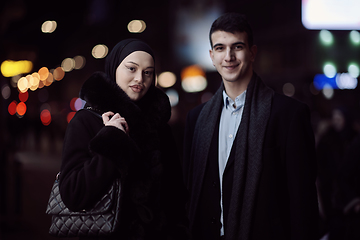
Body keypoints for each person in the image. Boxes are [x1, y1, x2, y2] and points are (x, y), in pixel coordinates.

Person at [183, 13, 319, 240]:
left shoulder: (288, 114)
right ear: (212, 56)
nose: (229, 56)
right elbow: (189, 193)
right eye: (220, 48)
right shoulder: (196, 119)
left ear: (252, 52)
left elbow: (303, 203)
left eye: (237, 47)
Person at [59, 39, 189, 240]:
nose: (140, 78)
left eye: (148, 72)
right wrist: (111, 140)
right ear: (114, 69)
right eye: (131, 68)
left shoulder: (159, 127)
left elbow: (176, 197)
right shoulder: (86, 121)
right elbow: (73, 193)